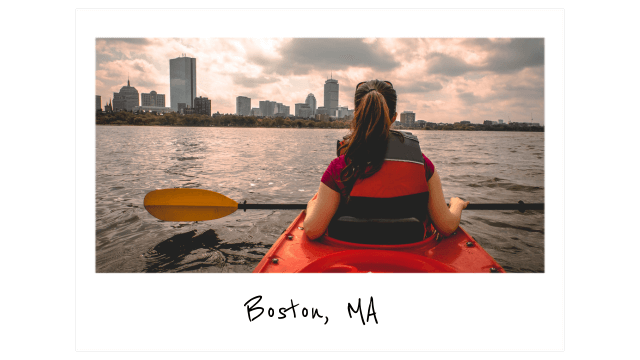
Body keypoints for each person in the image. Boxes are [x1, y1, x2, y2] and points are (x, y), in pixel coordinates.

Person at [303, 80, 469, 243]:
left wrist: (312, 206)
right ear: (394, 117)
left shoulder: (339, 167)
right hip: (410, 256)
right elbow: (446, 226)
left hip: (351, 257)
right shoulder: (422, 164)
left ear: (356, 115)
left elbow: (312, 230)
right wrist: (456, 205)